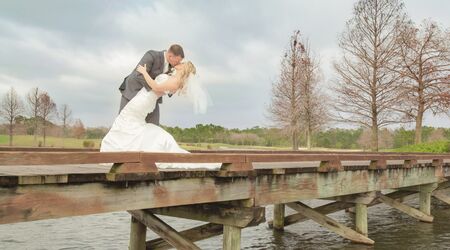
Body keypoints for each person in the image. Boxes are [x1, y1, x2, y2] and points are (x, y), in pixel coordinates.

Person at [102, 61, 219, 169]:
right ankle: (120, 154)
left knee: (128, 120)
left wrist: (144, 72)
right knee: (130, 123)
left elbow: (156, 87)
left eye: (183, 63)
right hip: (143, 100)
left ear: (184, 69)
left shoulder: (175, 83)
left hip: (143, 102)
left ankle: (117, 154)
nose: (180, 63)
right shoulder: (173, 78)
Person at [118, 44, 184, 125]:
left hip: (152, 98)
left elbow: (169, 84)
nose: (178, 63)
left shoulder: (173, 68)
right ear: (170, 56)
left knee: (154, 125)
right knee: (123, 122)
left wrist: (173, 88)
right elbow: (139, 75)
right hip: (132, 92)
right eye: (177, 61)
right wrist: (156, 89)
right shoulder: (152, 55)